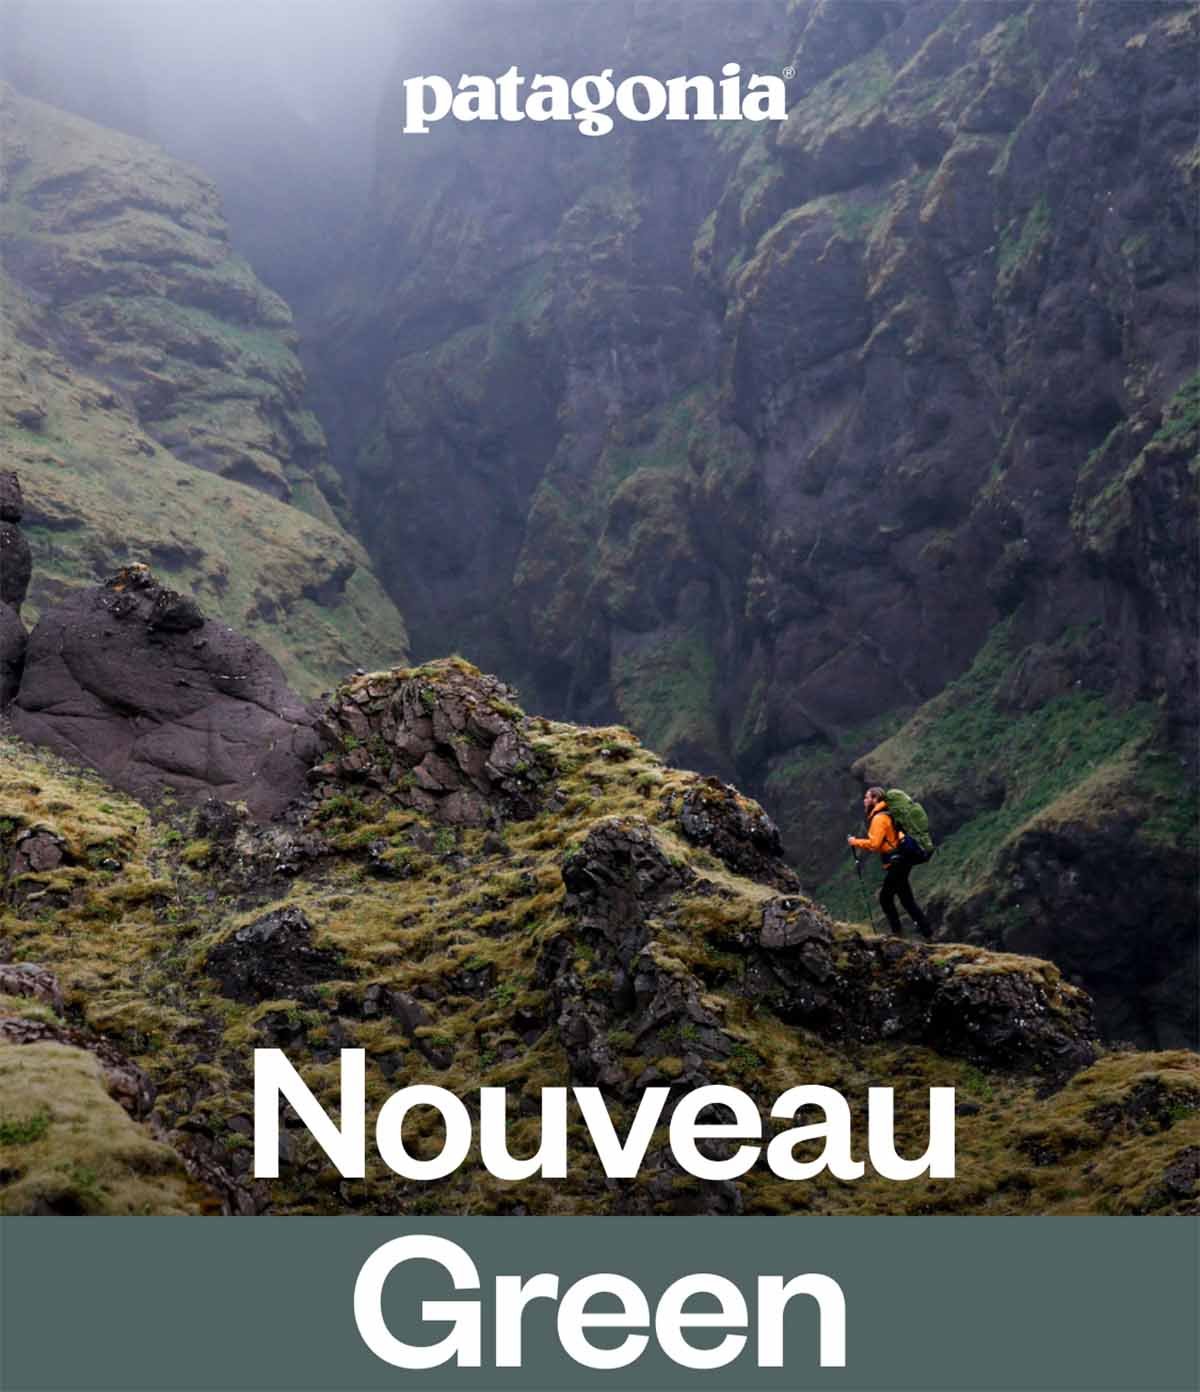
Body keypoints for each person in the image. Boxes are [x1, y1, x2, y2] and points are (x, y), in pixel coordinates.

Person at [847, 785, 933, 940]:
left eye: (867, 797)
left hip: (897, 862)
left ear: (875, 799)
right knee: (906, 899)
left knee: (885, 898)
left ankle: (897, 934)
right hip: (902, 860)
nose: (864, 800)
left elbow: (875, 844)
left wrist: (855, 842)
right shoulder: (887, 814)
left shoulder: (879, 818)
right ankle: (927, 933)